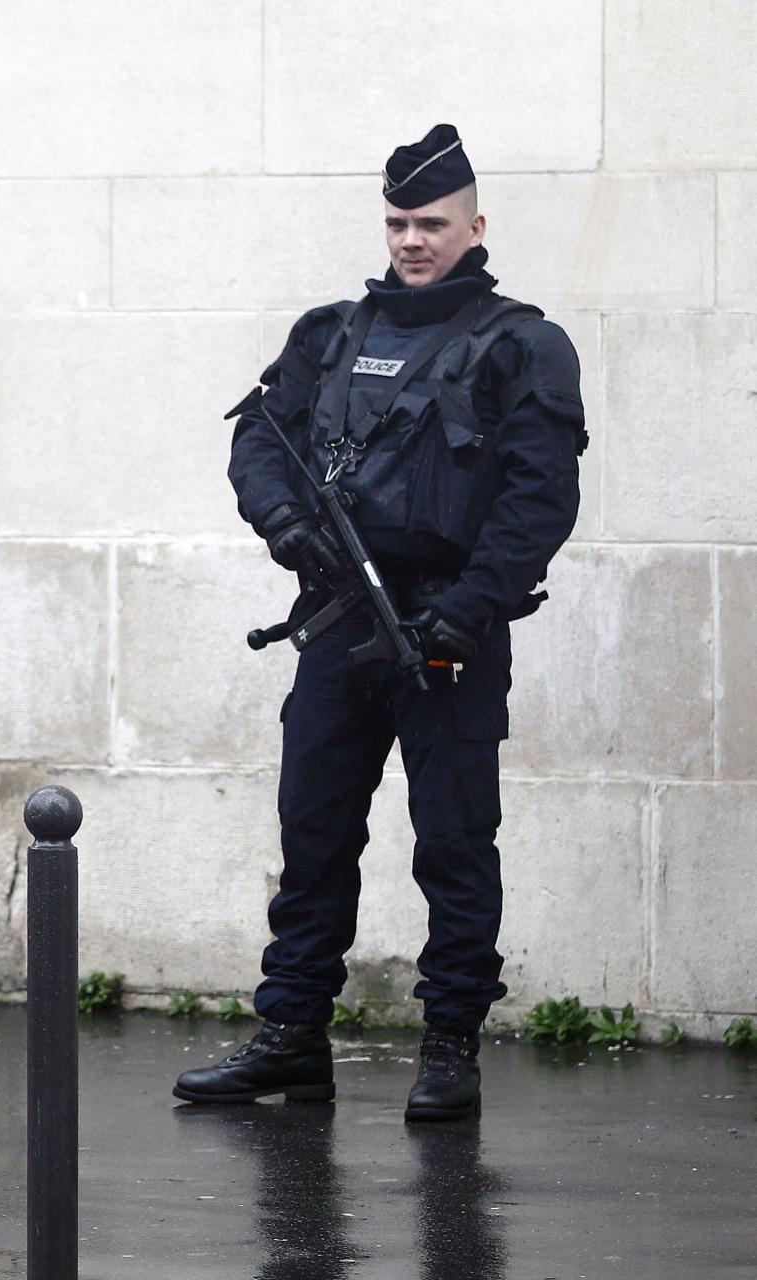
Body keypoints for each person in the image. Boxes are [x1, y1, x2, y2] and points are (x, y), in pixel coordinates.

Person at [175, 124, 586, 1121]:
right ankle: (290, 1036)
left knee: (453, 842)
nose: (411, 240)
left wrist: (468, 609)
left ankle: (449, 1047)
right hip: (334, 620)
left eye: (431, 223)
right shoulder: (329, 334)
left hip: (445, 631)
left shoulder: (522, 345)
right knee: (312, 831)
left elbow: (538, 499)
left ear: (473, 226)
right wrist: (284, 524)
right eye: (397, 222)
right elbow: (258, 440)